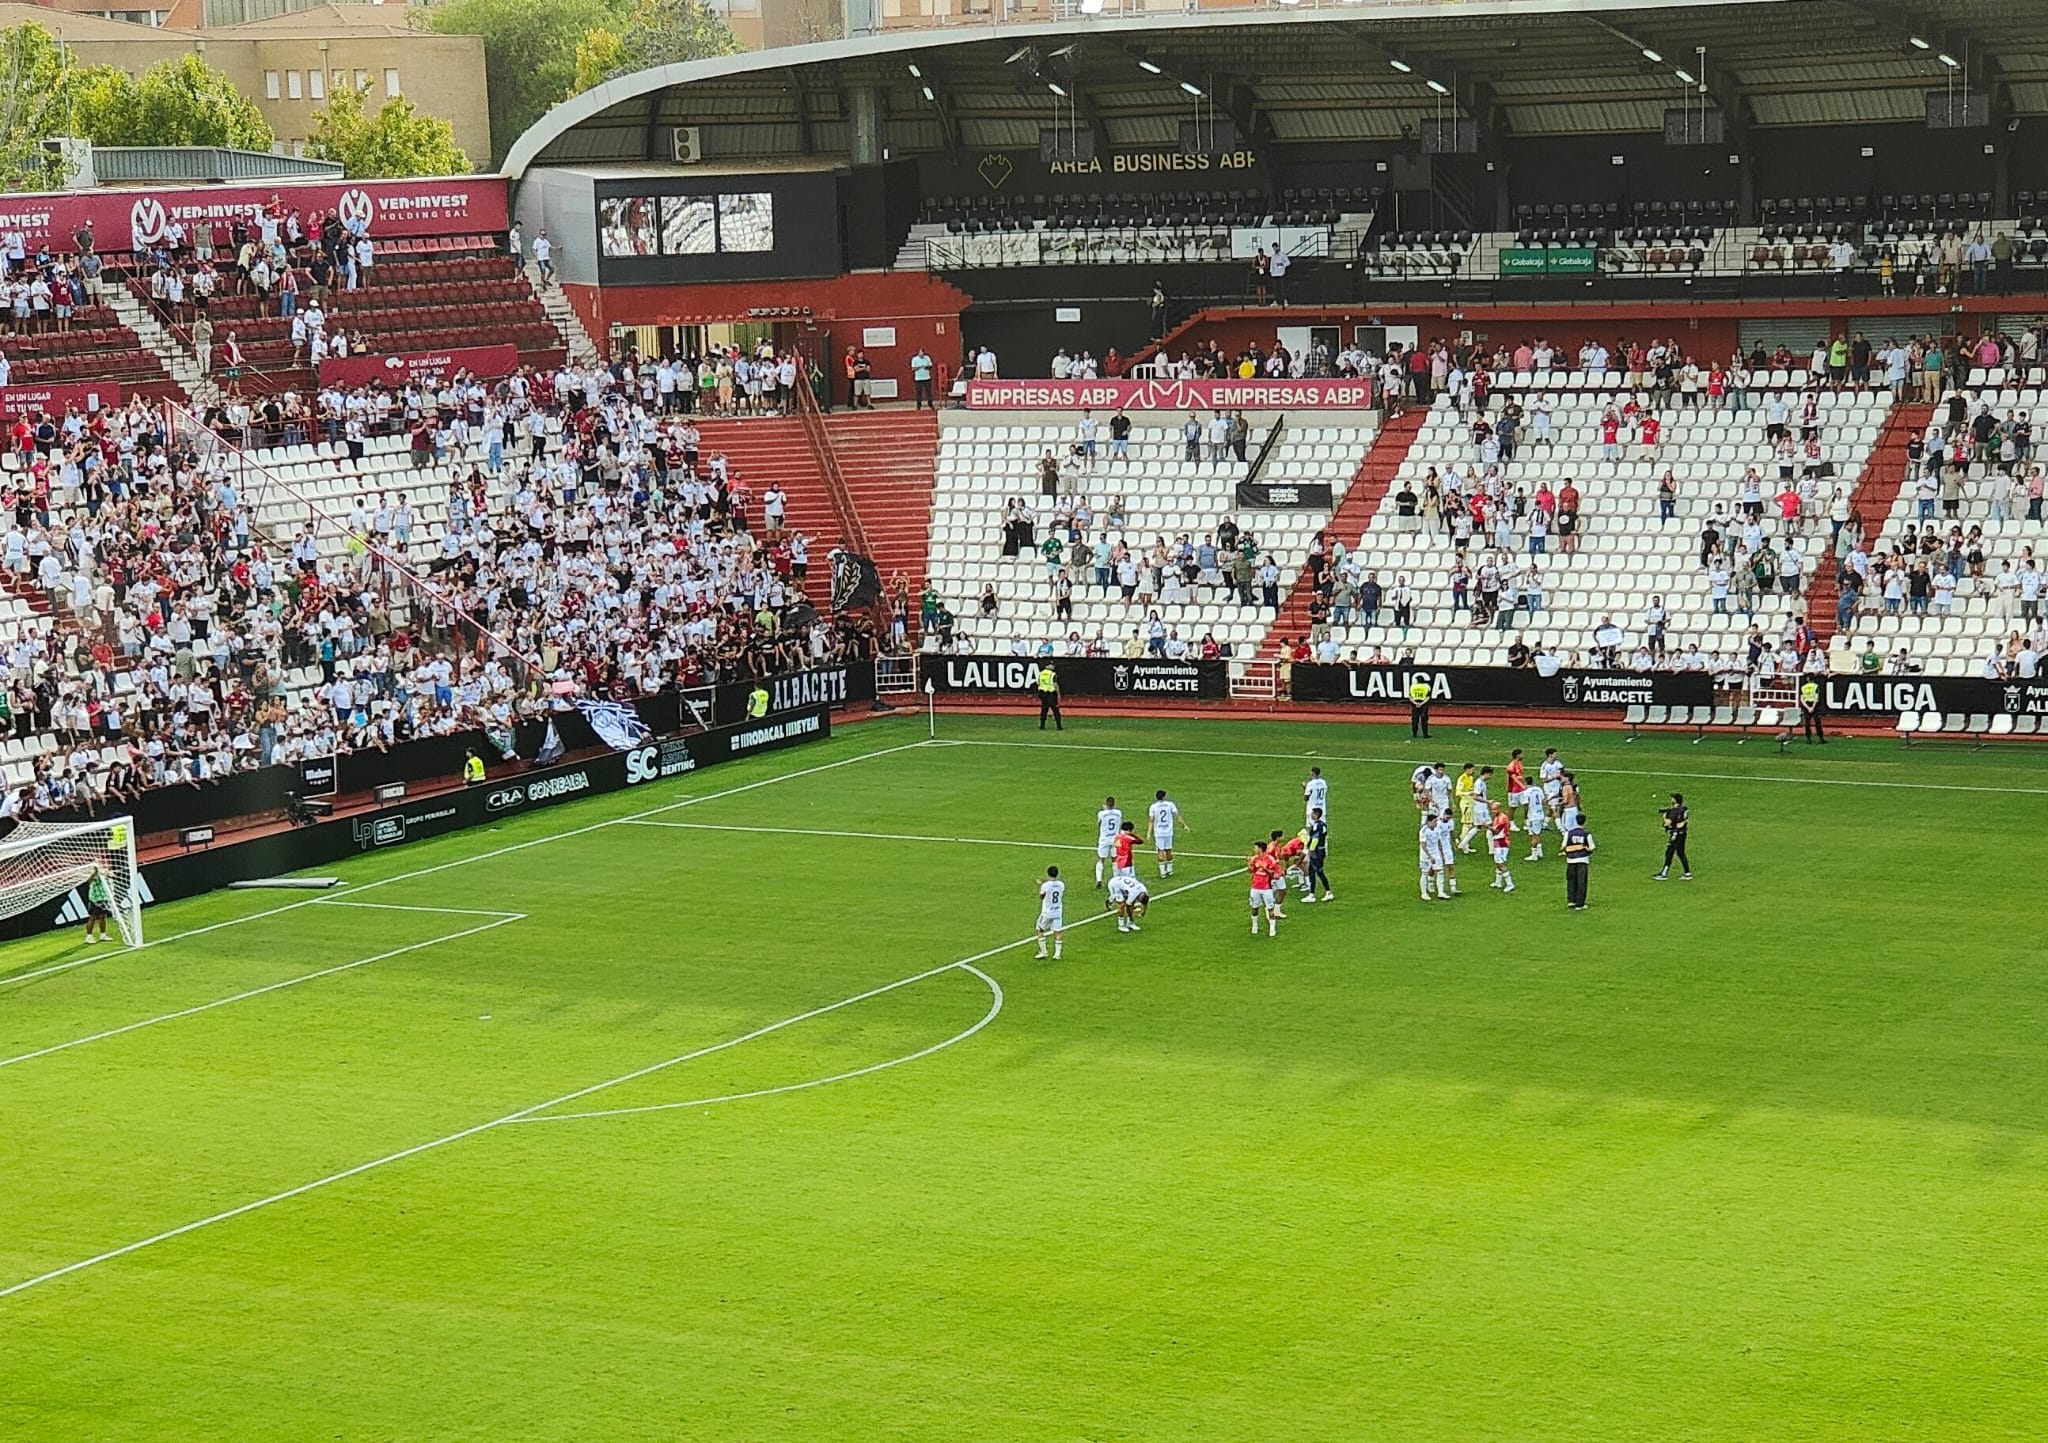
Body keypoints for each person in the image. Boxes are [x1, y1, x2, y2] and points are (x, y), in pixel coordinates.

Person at [1562, 811, 1595, 910]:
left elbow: (1563, 846)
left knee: (1571, 880)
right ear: (1584, 822)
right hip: (1582, 860)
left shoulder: (1568, 833)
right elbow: (1592, 848)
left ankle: (1571, 900)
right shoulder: (1586, 834)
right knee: (1581, 882)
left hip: (1570, 860)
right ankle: (1580, 904)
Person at [1655, 794, 1692, 881]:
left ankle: (1664, 873)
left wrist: (1664, 816)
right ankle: (1687, 873)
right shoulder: (1684, 809)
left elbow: (1667, 823)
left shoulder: (1673, 812)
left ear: (1675, 800)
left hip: (1676, 834)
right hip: (1683, 833)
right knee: (1680, 852)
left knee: (1669, 852)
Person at [1147, 789, 1183, 877]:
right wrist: (1184, 825)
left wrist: (1148, 833)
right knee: (1168, 850)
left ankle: (1162, 872)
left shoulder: (1153, 807)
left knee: (1160, 851)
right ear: (1164, 796)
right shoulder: (1170, 805)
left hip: (1159, 832)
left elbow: (1151, 820)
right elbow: (1176, 816)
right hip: (1168, 831)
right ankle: (1170, 869)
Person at [1248, 841, 1282, 937]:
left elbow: (1273, 874)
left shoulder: (1269, 859)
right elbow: (1251, 871)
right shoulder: (1255, 859)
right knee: (1254, 907)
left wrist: (1265, 868)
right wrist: (1249, 864)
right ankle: (1254, 925)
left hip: (1266, 888)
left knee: (1270, 908)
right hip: (1255, 887)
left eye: (1255, 848)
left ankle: (1272, 928)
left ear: (1260, 848)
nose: (1254, 850)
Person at [1301, 807, 1333, 903]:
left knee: (1317, 872)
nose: (1311, 815)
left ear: (1316, 814)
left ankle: (1319, 893)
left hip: (1316, 852)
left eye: (1313, 813)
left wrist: (1310, 852)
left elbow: (1315, 840)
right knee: (1314, 871)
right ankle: (1316, 893)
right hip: (1320, 851)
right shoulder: (1322, 825)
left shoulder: (1317, 826)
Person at [1418, 811, 1450, 902]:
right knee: (1424, 872)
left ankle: (1441, 892)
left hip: (1436, 853)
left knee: (1440, 871)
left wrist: (1442, 854)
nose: (1436, 823)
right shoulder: (1424, 830)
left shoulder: (1437, 829)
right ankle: (1424, 893)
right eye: (1434, 821)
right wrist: (1429, 856)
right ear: (1429, 822)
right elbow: (1423, 844)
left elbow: (1439, 842)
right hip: (1426, 855)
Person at [1035, 865, 1066, 960]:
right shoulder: (1061, 884)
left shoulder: (1045, 885)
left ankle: (1044, 952)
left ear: (1048, 874)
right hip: (1058, 911)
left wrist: (1040, 886)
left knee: (1039, 929)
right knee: (1057, 932)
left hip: (1047, 912)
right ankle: (1057, 954)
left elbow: (1041, 897)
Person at [1093, 795, 1123, 888]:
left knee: (1101, 859)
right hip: (1115, 839)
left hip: (1104, 839)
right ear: (1114, 804)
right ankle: (1116, 879)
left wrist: (1105, 810)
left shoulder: (1101, 814)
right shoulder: (1118, 813)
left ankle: (1099, 880)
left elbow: (1099, 823)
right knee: (1115, 859)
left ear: (1106, 804)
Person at [1487, 801, 1516, 893]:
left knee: (1501, 863)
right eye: (1492, 810)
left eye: (1495, 809)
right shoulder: (1497, 817)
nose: (1493, 811)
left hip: (1502, 842)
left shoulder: (1502, 818)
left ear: (1500, 808)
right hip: (1498, 842)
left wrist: (1487, 826)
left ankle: (1510, 884)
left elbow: (1496, 831)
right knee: (1497, 862)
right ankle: (1498, 882)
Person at [82, 867, 114, 944]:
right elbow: (89, 880)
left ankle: (103, 935)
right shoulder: (95, 876)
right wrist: (95, 872)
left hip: (104, 898)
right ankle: (89, 936)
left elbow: (112, 876)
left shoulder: (106, 875)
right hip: (95, 899)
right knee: (92, 917)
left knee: (103, 916)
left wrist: (107, 873)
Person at [1036, 659, 1062, 731]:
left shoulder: (1041, 673)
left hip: (1042, 693)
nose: (1053, 666)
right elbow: (1055, 684)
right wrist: (1058, 694)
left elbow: (1038, 683)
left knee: (1044, 710)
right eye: (1052, 665)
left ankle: (1042, 725)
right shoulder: (1052, 674)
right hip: (1050, 693)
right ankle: (1058, 726)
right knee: (1055, 710)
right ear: (1048, 666)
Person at [1799, 675, 1826, 744]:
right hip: (1815, 706)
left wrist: (1807, 708)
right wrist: (1812, 707)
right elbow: (1816, 698)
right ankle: (1821, 739)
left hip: (1806, 705)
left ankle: (1808, 739)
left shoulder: (1803, 687)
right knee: (1818, 723)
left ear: (1807, 679)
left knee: (1807, 724)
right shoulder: (1816, 686)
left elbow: (1802, 699)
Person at [1408, 673, 1432, 738]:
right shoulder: (1426, 686)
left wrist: (1415, 703)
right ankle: (1425, 734)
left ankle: (1414, 734)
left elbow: (1410, 697)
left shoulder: (1413, 686)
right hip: (1423, 703)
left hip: (1414, 703)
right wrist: (1421, 704)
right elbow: (1428, 697)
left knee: (1415, 719)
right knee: (1424, 719)